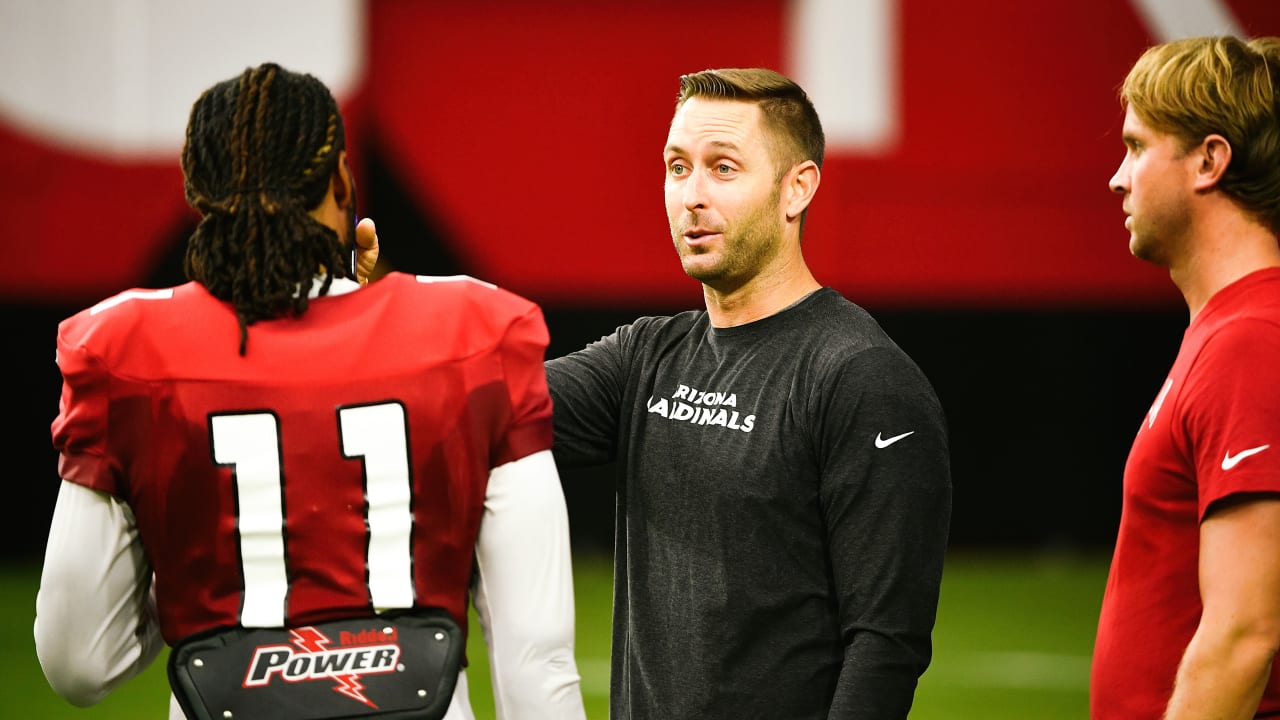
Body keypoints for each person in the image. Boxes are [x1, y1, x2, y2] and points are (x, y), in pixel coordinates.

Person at [360, 67, 952, 717]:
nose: (691, 195)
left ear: (797, 188)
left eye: (723, 168)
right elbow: (473, 403)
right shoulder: (647, 355)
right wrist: (372, 315)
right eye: (677, 167)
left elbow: (885, 646)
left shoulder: (864, 378)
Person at [35, 62, 586, 720]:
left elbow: (77, 664)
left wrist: (192, 557)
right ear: (341, 179)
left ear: (201, 197)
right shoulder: (476, 331)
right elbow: (537, 659)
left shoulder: (126, 348)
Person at [1092, 36, 1280, 719]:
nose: (1117, 178)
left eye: (1137, 147)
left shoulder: (1253, 343)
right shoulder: (1229, 333)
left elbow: (1243, 636)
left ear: (1209, 161)